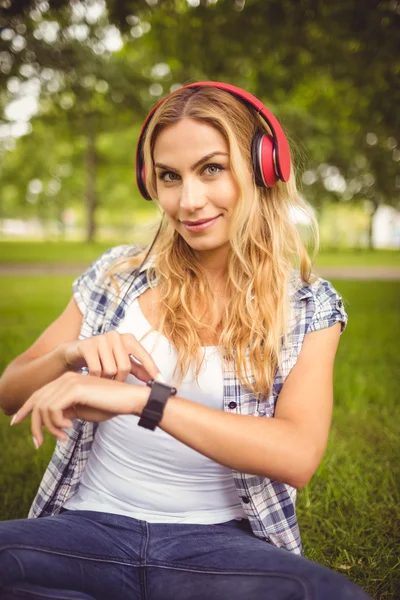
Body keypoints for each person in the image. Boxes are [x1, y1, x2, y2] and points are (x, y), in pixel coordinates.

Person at [0, 82, 371, 600]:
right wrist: (69, 358)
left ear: (263, 168)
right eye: (169, 177)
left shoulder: (310, 307)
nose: (189, 201)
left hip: (219, 547)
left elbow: (298, 454)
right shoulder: (118, 276)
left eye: (212, 169)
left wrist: (142, 400)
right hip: (86, 530)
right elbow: (9, 392)